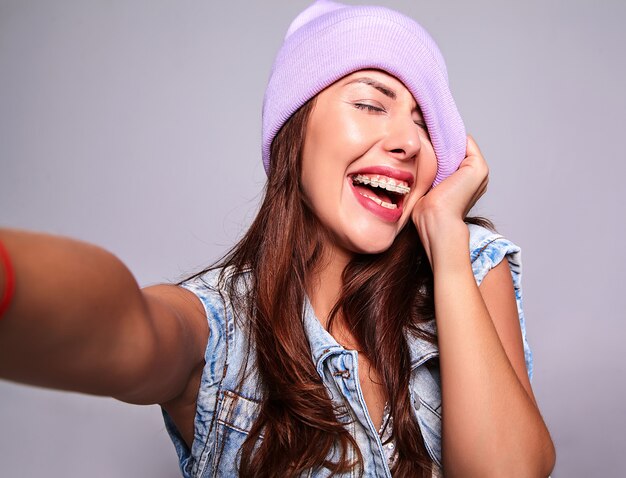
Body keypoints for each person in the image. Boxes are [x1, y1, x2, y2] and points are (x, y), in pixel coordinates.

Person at [0, 1, 555, 476]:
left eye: (426, 124)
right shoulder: (218, 329)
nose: (409, 141)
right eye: (371, 103)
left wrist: (447, 243)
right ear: (296, 124)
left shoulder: (468, 265)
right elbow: (127, 325)